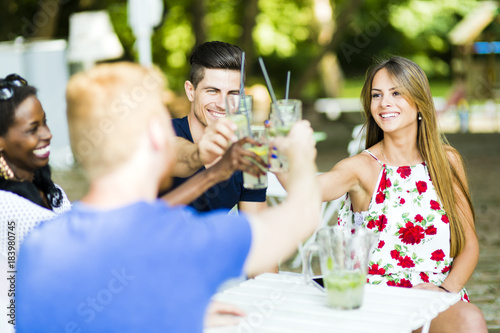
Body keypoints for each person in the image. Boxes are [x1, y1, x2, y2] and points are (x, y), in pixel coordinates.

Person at [16, 62, 321, 332]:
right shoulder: (182, 239)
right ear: (155, 135)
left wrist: (177, 313)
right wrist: (301, 158)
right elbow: (303, 214)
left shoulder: (38, 244)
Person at [318, 56, 487, 332]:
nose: (385, 102)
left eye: (396, 93)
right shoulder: (362, 168)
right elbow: (312, 190)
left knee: (470, 319)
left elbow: (469, 246)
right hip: (377, 301)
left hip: (435, 295)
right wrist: (282, 159)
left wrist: (444, 292)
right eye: (377, 95)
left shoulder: (447, 162)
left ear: (420, 101)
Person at [0, 74, 72, 332]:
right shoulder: (7, 208)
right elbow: (6, 300)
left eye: (45, 123)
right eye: (33, 129)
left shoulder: (51, 190)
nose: (48, 134)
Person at [166, 41, 267, 213]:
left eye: (233, 93)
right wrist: (200, 154)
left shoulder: (247, 150)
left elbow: (256, 227)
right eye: (212, 91)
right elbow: (174, 151)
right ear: (191, 91)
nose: (222, 104)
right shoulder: (164, 134)